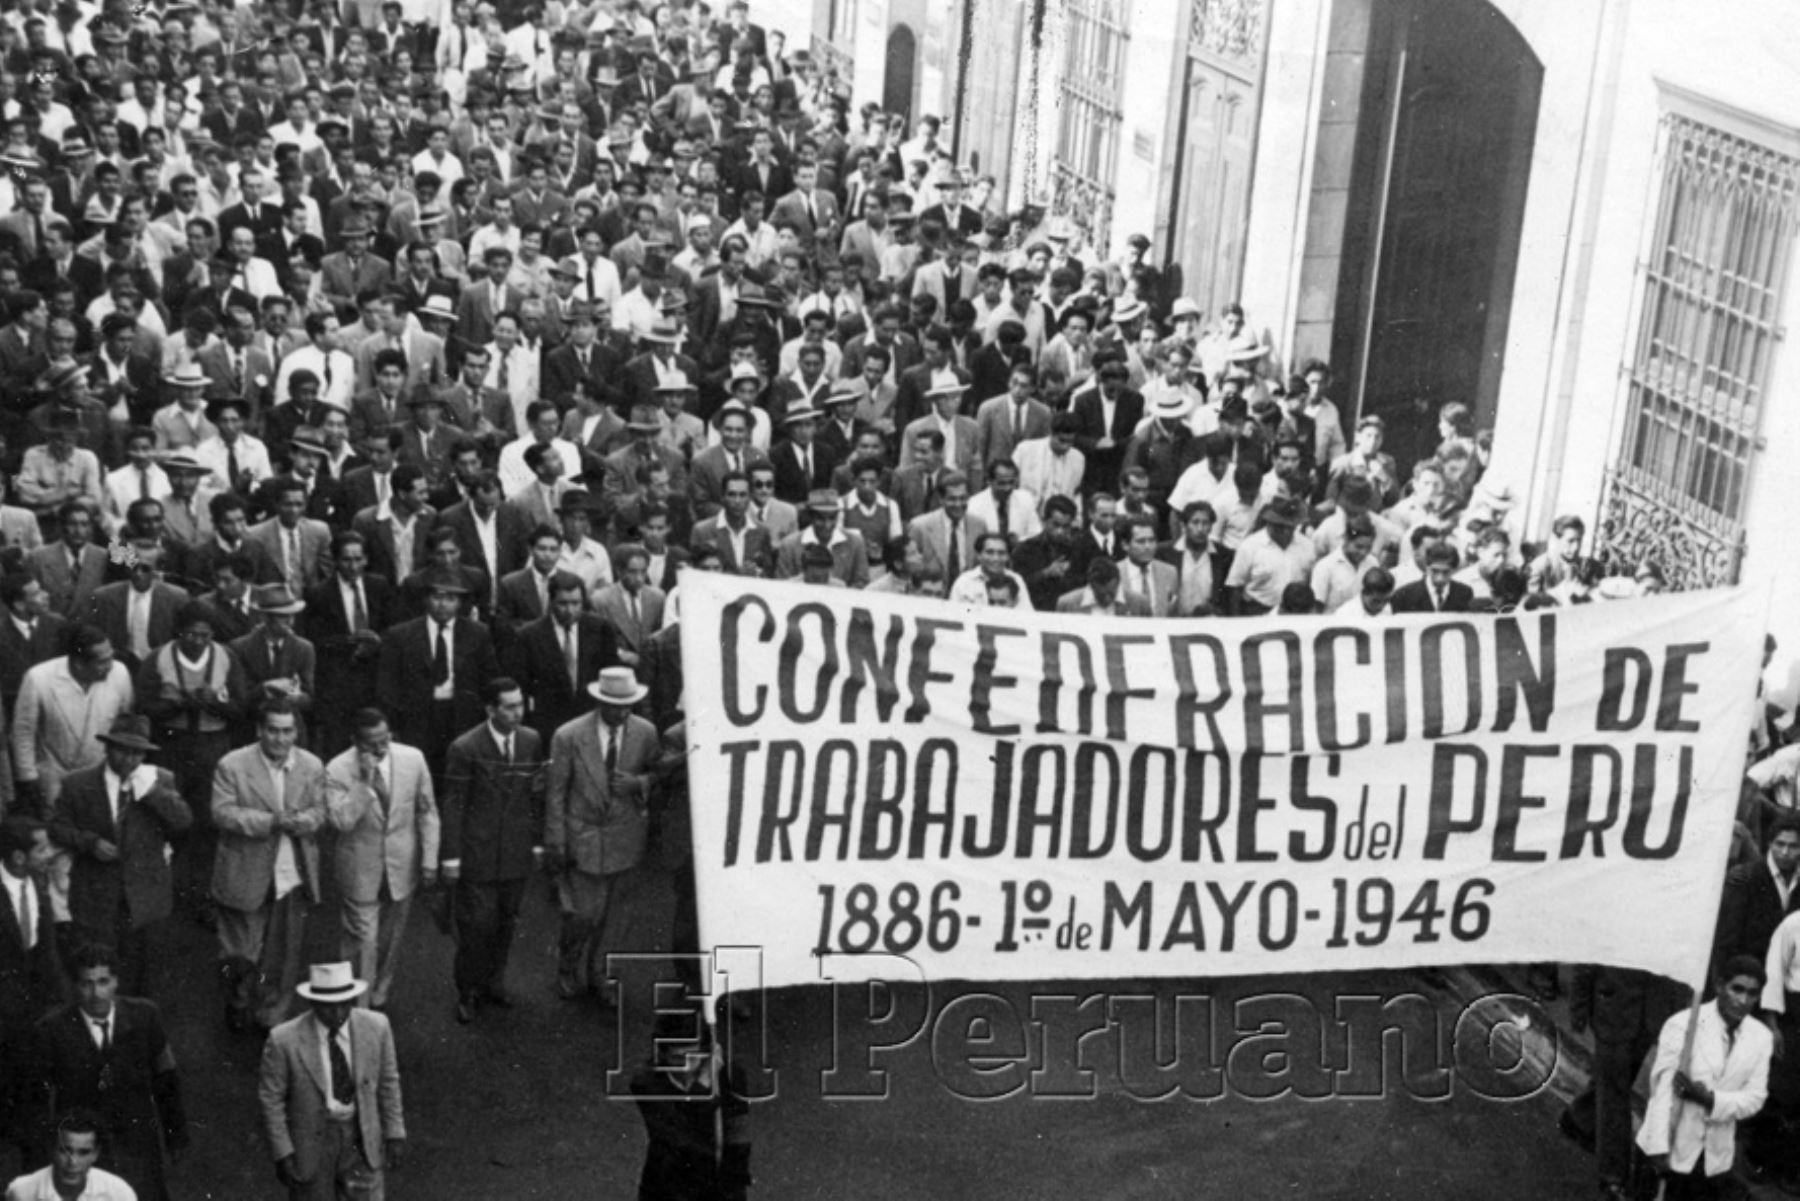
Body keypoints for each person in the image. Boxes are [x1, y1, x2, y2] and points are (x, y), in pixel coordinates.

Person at [23, 945, 188, 1201]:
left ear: (116, 981)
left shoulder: (145, 1017)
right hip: (83, 1150)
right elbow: (37, 1101)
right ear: (75, 986)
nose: (96, 993)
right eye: (86, 984)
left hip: (137, 1146)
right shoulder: (51, 1031)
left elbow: (166, 1082)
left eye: (103, 981)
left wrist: (175, 1136)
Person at [47, 717, 189, 999]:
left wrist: (152, 793)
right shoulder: (78, 783)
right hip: (95, 893)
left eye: (137, 752)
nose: (130, 759)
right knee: (97, 967)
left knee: (144, 970)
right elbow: (56, 827)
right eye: (122, 750)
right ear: (108, 748)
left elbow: (183, 821)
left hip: (145, 894)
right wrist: (90, 843)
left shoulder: (160, 780)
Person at [209, 699, 325, 1033]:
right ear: (259, 730)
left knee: (283, 955)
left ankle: (271, 1014)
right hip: (245, 870)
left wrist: (301, 821)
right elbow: (222, 812)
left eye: (287, 731)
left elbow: (321, 811)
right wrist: (269, 822)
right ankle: (238, 1000)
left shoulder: (312, 765)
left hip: (292, 872)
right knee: (240, 952)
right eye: (272, 730)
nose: (280, 738)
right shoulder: (232, 765)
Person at [544, 667, 658, 1005]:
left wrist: (640, 784)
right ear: (599, 702)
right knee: (583, 914)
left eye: (628, 706)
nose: (622, 713)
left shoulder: (646, 733)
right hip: (584, 838)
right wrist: (556, 842)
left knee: (617, 916)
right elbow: (555, 793)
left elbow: (659, 774)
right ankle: (568, 964)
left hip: (626, 837)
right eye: (614, 706)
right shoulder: (568, 736)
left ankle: (602, 975)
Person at [439, 677, 545, 1025]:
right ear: (490, 709)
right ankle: (468, 990)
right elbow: (453, 805)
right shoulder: (465, 748)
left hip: (515, 853)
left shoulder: (531, 741)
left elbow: (534, 798)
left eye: (521, 704)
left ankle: (494, 984)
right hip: (478, 854)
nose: (519, 712)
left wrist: (537, 843)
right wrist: (451, 858)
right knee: (476, 927)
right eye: (510, 706)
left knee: (506, 923)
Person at [257, 962, 405, 1201]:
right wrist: (283, 1151)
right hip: (313, 1143)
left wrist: (394, 1132)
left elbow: (389, 1082)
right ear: (314, 1003)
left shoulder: (376, 1028)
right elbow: (270, 1099)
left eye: (344, 1005)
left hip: (362, 1136)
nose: (337, 1014)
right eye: (328, 1007)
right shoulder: (284, 1040)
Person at [324, 709, 439, 1013]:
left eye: (384, 739)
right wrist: (363, 782)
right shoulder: (337, 769)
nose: (379, 748)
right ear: (354, 741)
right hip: (360, 868)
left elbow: (427, 811)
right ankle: (358, 1008)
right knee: (364, 941)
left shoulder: (413, 759)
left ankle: (379, 992)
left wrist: (429, 858)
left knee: (390, 940)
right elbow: (341, 821)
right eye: (370, 743)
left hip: (403, 864)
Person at [1638, 956, 1773, 1197]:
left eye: (1752, 993)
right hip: (1672, 1146)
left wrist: (1710, 1099)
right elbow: (1663, 1091)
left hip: (1714, 1159)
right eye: (1737, 989)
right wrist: (1658, 1147)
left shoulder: (1761, 1038)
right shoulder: (1683, 1025)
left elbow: (1755, 1098)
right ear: (1720, 986)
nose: (1743, 1000)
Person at [631, 1003, 752, 1201]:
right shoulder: (646, 1082)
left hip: (715, 1180)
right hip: (668, 1182)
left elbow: (738, 1133)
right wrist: (704, 1082)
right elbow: (681, 1135)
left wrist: (734, 1184)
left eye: (693, 1057)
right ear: (662, 1054)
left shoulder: (731, 1076)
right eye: (677, 1059)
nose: (686, 1067)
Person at [4, 1110, 135, 1201]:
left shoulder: (119, 1193)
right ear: (51, 1150)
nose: (73, 1162)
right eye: (65, 1151)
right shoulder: (21, 1191)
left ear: (95, 1154)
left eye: (83, 1152)